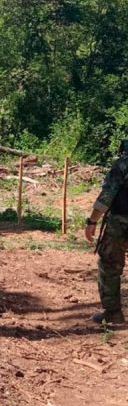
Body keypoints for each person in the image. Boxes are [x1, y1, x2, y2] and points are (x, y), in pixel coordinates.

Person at [85, 139, 128, 324]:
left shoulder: (123, 164)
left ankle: (113, 314)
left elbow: (107, 194)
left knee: (110, 266)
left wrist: (92, 220)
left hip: (120, 221)